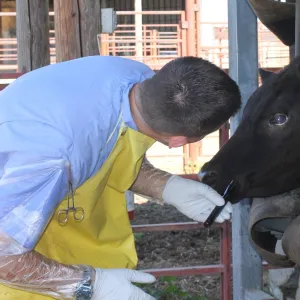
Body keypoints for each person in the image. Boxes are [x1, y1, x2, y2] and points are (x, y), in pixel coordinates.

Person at [0, 55, 241, 300]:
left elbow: (109, 153)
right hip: (17, 270)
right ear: (178, 142)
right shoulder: (49, 159)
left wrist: (166, 186)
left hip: (60, 234)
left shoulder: (136, 79)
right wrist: (89, 285)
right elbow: (3, 254)